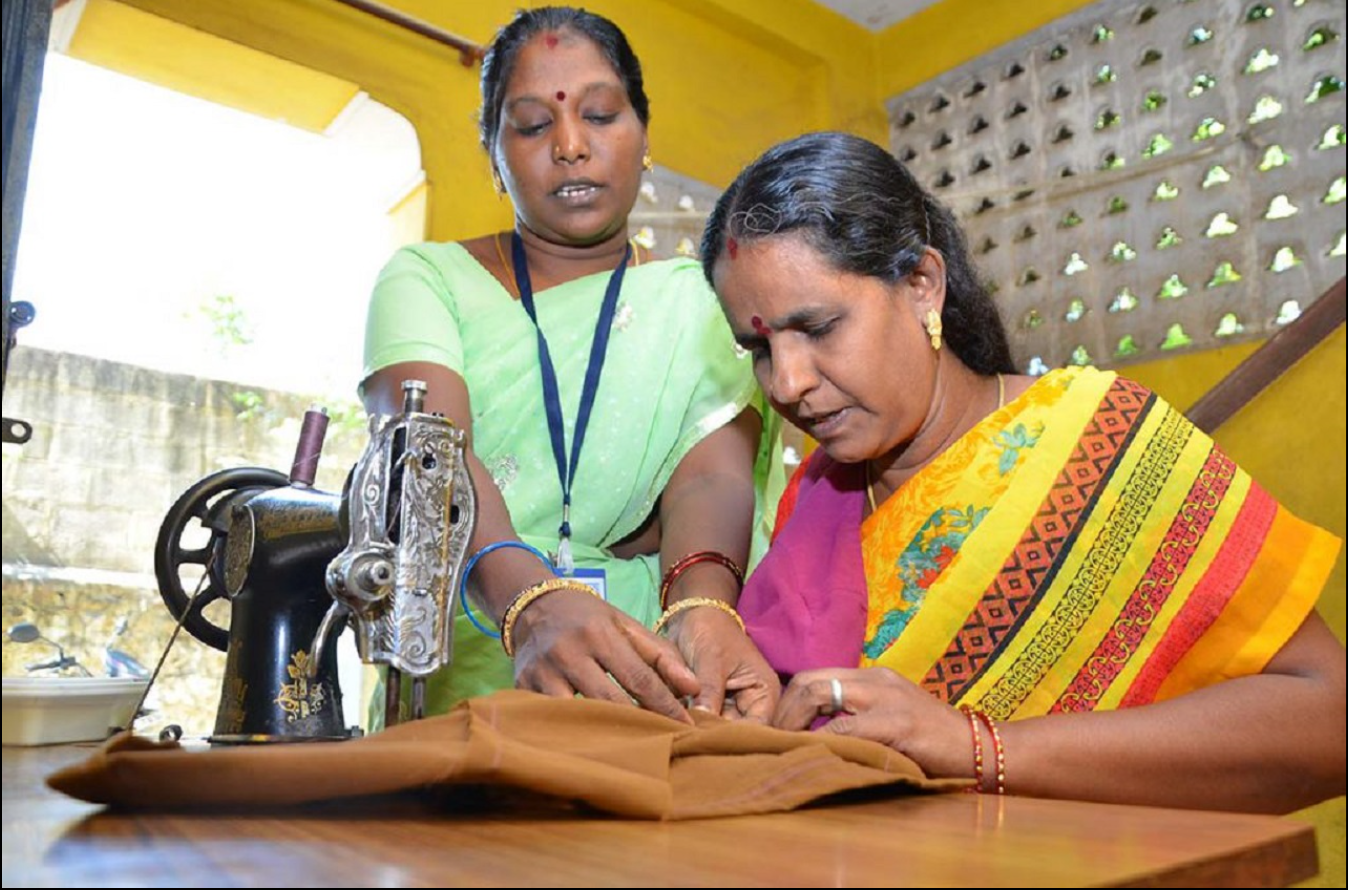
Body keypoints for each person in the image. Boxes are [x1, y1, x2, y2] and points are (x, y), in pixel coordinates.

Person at [701, 130, 1346, 813]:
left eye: (820, 328)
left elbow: (1328, 720)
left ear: (922, 284)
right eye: (760, 348)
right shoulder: (815, 498)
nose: (789, 382)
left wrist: (979, 748)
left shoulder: (1097, 443)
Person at [361, 7, 782, 723]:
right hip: (473, 671)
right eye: (530, 126)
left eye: (601, 115)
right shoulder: (425, 280)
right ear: (492, 154)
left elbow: (710, 477)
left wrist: (705, 607)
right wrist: (527, 601)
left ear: (644, 135)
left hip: (660, 679)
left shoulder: (694, 298)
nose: (570, 146)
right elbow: (428, 457)